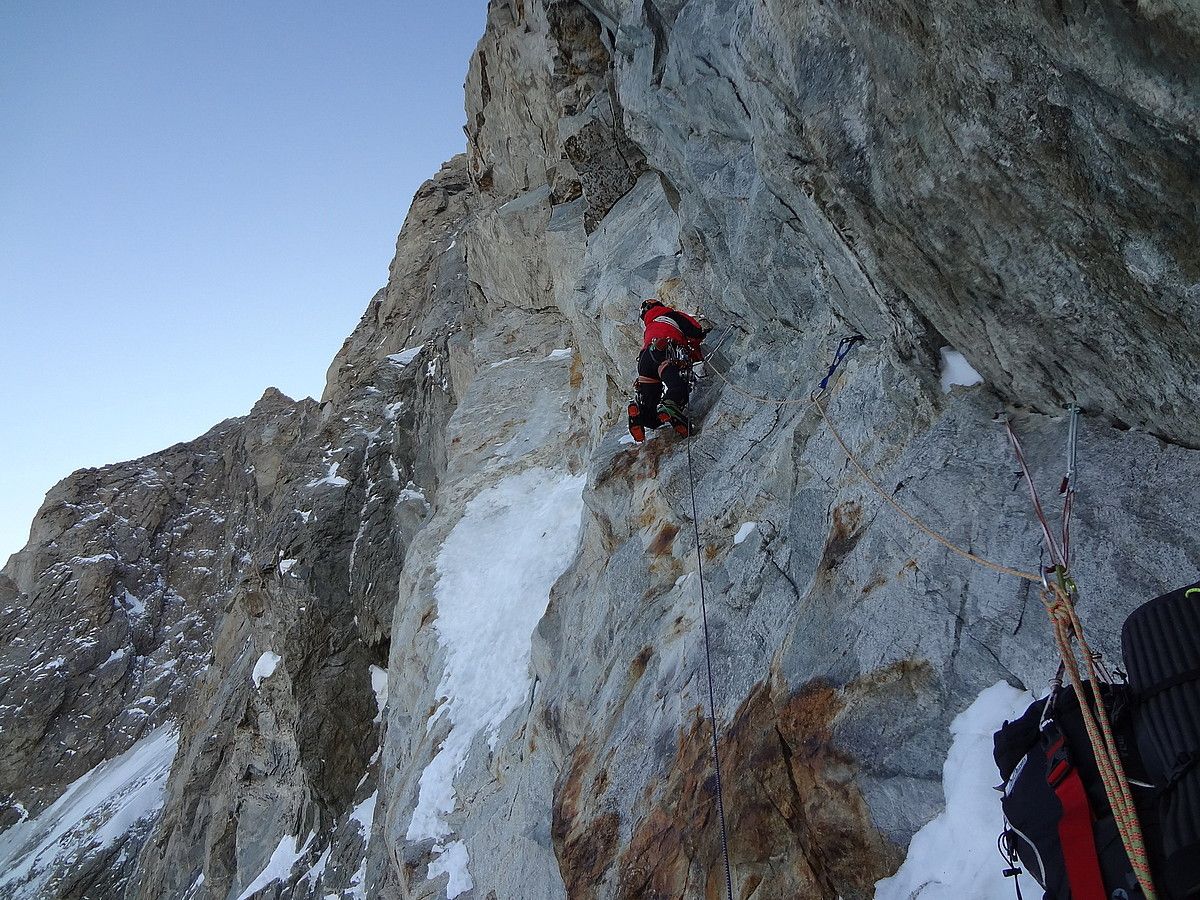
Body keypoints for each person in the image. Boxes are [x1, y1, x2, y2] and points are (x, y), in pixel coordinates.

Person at [628, 297, 707, 441]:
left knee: (652, 417)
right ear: (659, 306)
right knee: (678, 387)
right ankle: (670, 406)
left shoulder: (650, 327)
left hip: (644, 361)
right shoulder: (671, 315)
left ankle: (640, 416)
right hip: (663, 352)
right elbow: (695, 330)